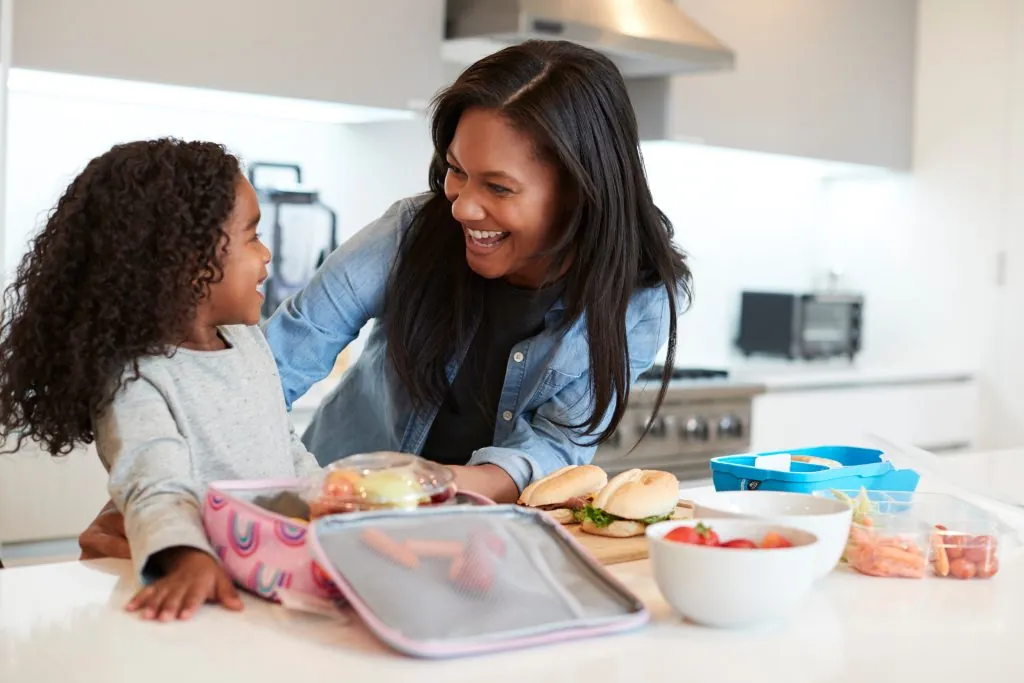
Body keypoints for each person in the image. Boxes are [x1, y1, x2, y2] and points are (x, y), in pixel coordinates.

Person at [77, 38, 693, 558]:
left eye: (499, 187)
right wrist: (163, 505)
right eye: (456, 170)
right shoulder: (410, 234)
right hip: (332, 524)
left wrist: (428, 487)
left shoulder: (636, 299)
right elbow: (283, 356)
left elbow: (557, 446)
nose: (462, 206)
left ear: (581, 192)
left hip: (481, 541)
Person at [0, 138, 321, 620]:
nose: (267, 253)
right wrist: (187, 557)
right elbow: (152, 483)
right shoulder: (134, 375)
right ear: (190, 263)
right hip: (209, 583)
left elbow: (285, 444)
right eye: (252, 236)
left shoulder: (248, 343)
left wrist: (328, 497)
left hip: (278, 571)